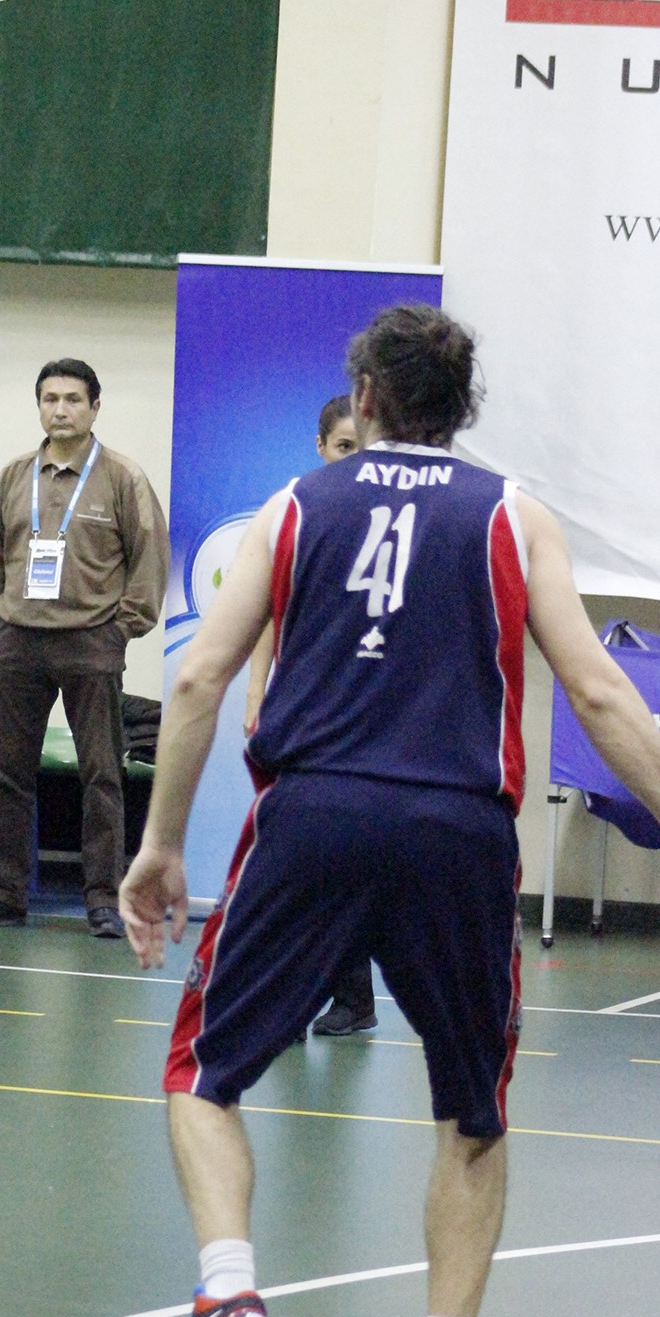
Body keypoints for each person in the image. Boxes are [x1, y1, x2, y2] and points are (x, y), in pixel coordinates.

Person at [119, 304, 660, 1317]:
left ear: (364, 397)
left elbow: (199, 680)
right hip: (459, 832)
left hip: (314, 816)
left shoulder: (294, 506)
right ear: (462, 408)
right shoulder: (515, 516)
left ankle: (227, 1293)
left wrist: (161, 842)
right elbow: (600, 692)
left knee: (201, 1073)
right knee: (472, 1109)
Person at [0, 358, 170, 938]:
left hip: (91, 643)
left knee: (101, 775)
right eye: (50, 399)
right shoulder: (14, 476)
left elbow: (150, 561)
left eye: (73, 399)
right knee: (7, 775)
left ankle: (103, 900)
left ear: (95, 408)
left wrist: (120, 630)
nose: (61, 410)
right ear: (39, 407)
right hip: (15, 643)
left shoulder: (122, 478)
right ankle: (4, 894)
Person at [243, 394, 376, 1039]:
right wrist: (255, 698)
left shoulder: (390, 526)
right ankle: (295, 1000)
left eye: (364, 448)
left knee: (337, 866)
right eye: (343, 447)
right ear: (320, 447)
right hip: (302, 716)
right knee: (291, 865)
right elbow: (268, 615)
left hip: (363, 717)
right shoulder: (295, 516)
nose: (353, 459)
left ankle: (352, 998)